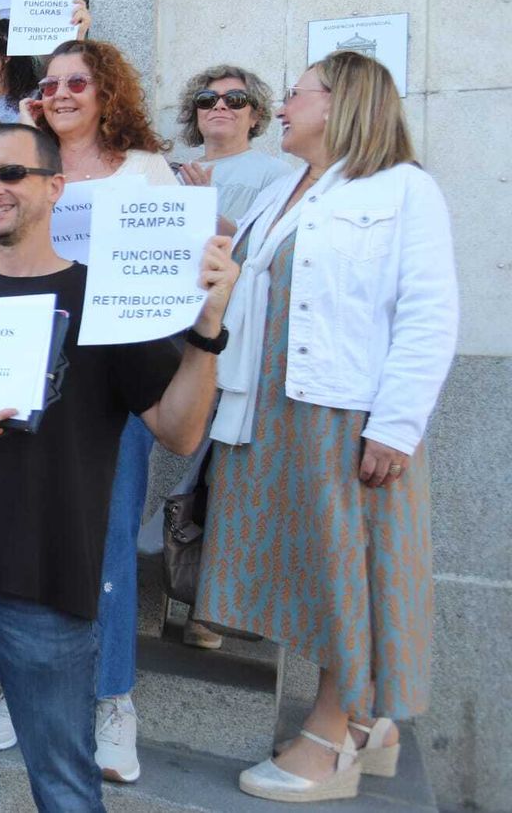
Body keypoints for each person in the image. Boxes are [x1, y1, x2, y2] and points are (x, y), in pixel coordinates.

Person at [0, 123, 237, 812]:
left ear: (55, 186)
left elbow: (182, 431)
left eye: (11, 174)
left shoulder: (103, 300)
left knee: (65, 790)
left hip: (45, 589)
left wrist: (208, 329)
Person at [199, 52, 457, 803]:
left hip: (342, 412)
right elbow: (254, 287)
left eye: (294, 93)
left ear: (340, 102)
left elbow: (429, 314)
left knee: (347, 569)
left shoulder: (404, 189)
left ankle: (335, 729)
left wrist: (396, 426)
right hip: (274, 408)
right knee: (313, 571)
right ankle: (370, 720)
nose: (280, 106)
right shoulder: (285, 188)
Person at [0, 38, 176, 781]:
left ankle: (112, 702)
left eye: (78, 81)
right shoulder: (26, 163)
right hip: (19, 364)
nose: (61, 92)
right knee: (25, 530)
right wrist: (23, 135)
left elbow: (170, 272)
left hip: (110, 379)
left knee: (108, 542)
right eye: (49, 83)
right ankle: (16, 693)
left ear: (108, 90)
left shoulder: (147, 172)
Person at [172, 64, 294, 223]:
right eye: (207, 99)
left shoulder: (275, 173)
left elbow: (266, 242)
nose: (219, 106)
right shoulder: (176, 175)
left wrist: (202, 206)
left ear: (255, 116)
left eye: (235, 99)